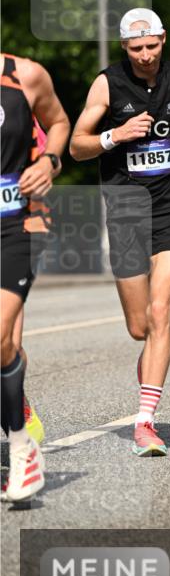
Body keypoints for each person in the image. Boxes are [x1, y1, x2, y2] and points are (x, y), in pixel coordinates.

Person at [70, 8, 170, 456]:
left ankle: (145, 420)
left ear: (163, 39)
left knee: (159, 309)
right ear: (124, 48)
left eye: (152, 45)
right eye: (137, 48)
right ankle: (150, 368)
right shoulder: (107, 84)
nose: (147, 55)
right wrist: (116, 136)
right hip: (127, 210)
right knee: (139, 327)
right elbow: (77, 145)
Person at [1, 54, 69, 502]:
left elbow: (60, 122)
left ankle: (22, 449)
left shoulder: (24, 75)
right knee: (6, 345)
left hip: (13, 223)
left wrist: (49, 162)